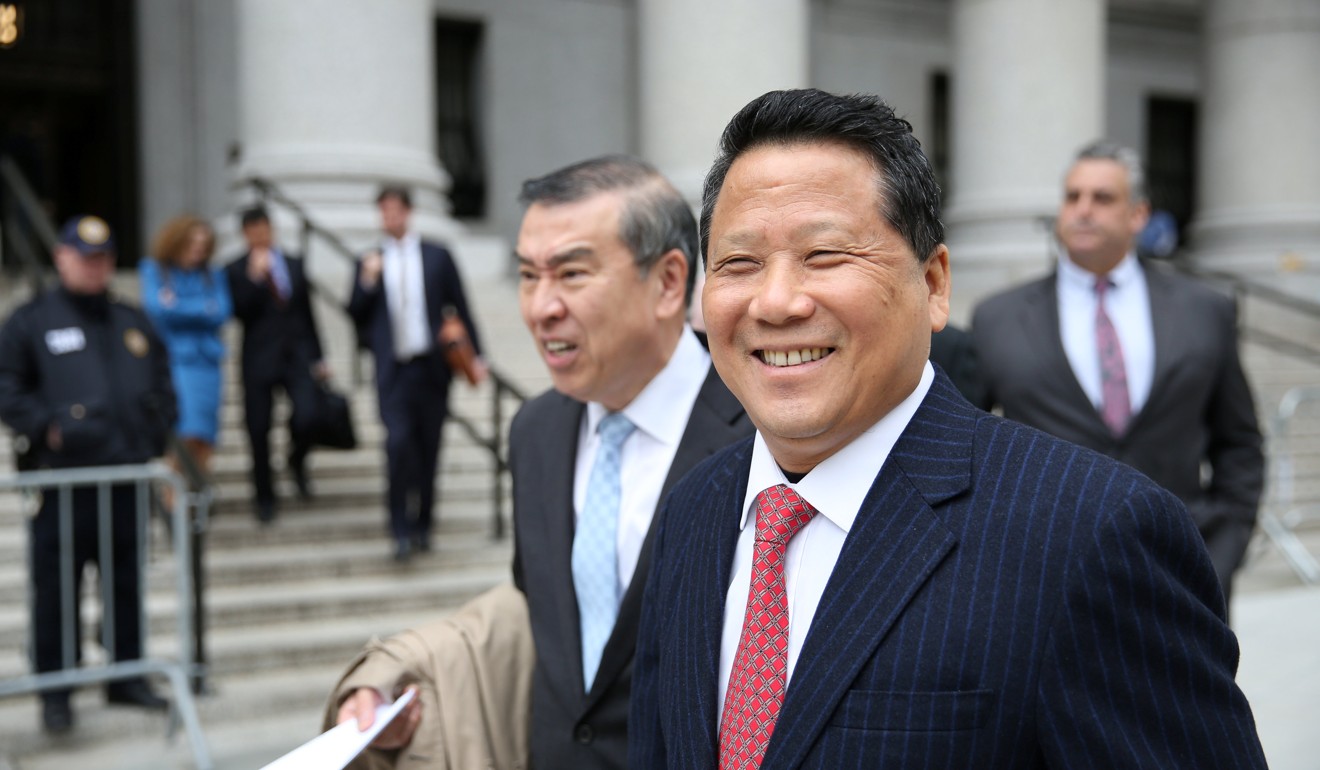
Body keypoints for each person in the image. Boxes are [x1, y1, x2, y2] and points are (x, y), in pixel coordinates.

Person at [629, 89, 1266, 768]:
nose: (777, 301)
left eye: (825, 254)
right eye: (739, 263)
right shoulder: (693, 512)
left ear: (934, 284)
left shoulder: (1092, 533)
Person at [333, 155, 754, 769]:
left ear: (668, 282)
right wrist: (404, 678)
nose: (540, 307)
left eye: (572, 274)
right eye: (529, 275)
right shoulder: (536, 430)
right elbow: (541, 612)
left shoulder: (761, 436)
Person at [971, 141, 1264, 608]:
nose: (1083, 211)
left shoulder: (1204, 310)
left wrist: (1222, 555)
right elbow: (966, 450)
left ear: (1138, 214)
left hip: (1180, 578)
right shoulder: (997, 319)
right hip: (1043, 584)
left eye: (1102, 198)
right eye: (1073, 197)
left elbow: (1240, 444)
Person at [0, 215, 176, 733]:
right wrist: (47, 428)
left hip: (123, 478)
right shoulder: (32, 320)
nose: (95, 267)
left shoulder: (132, 319)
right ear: (61, 257)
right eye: (84, 257)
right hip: (61, 484)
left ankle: (126, 676)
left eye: (102, 259)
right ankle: (56, 689)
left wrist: (153, 434)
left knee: (126, 579)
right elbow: (7, 387)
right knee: (56, 587)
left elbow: (163, 385)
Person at [346, 185, 485, 562]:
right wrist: (368, 281)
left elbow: (462, 304)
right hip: (394, 372)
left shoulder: (436, 255)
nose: (389, 218)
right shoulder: (369, 259)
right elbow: (354, 312)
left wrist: (478, 355)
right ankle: (399, 530)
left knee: (429, 449)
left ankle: (424, 524)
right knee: (397, 445)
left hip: (432, 368)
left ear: (408, 212)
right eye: (383, 211)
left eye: (395, 210)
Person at [225, 206, 327, 523]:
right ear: (245, 234)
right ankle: (264, 496)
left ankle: (296, 461)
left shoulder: (294, 263)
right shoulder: (235, 269)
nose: (260, 235)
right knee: (258, 429)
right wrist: (255, 279)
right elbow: (238, 312)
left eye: (264, 228)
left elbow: (308, 313)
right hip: (258, 360)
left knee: (309, 414)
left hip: (296, 355)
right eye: (253, 230)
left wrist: (319, 356)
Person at [139, 214, 232, 480]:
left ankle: (197, 500)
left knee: (205, 436)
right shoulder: (155, 270)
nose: (197, 251)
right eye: (192, 244)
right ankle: (174, 496)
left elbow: (222, 311)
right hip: (177, 363)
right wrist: (203, 307)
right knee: (186, 433)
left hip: (208, 364)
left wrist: (178, 305)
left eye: (203, 245)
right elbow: (157, 310)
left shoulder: (212, 274)